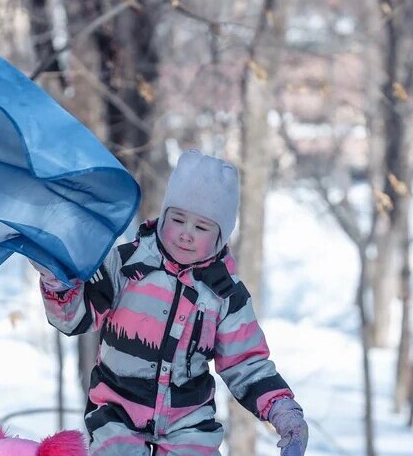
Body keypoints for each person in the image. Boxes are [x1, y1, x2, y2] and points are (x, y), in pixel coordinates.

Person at [30, 149, 308, 456]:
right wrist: (56, 282)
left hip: (188, 422)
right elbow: (73, 319)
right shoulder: (125, 265)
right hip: (117, 412)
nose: (186, 234)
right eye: (178, 219)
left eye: (201, 227)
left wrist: (283, 410)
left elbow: (246, 363)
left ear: (221, 236)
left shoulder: (224, 293)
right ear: (163, 216)